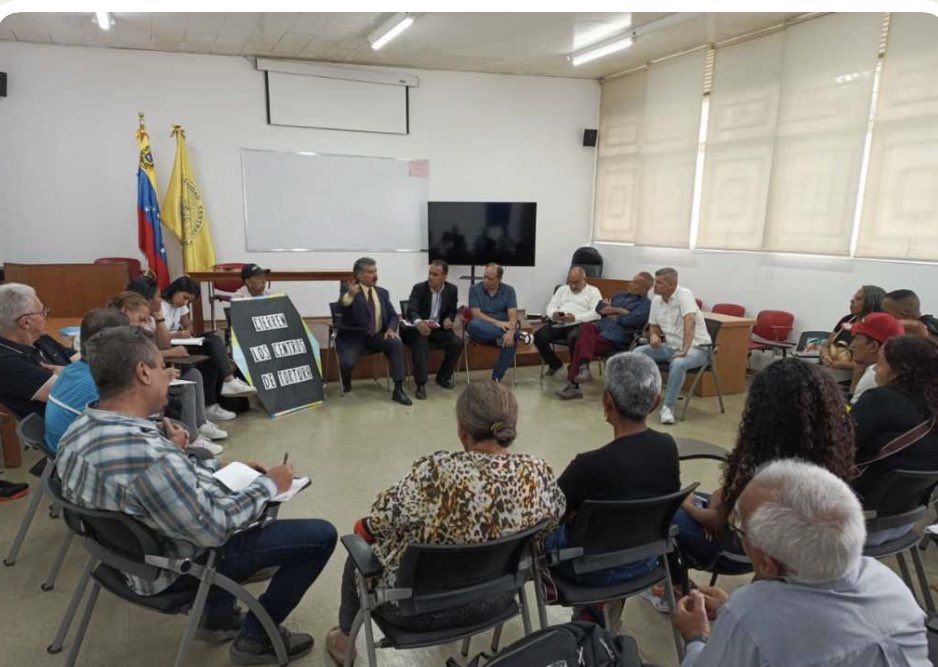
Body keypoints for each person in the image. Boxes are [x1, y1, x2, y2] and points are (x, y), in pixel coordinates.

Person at [55, 326, 337, 664]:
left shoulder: (78, 430)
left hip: (123, 557)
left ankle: (218, 619)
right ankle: (256, 638)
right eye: (162, 366)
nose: (170, 374)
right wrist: (268, 486)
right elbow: (213, 530)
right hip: (176, 566)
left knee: (219, 475)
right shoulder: (151, 458)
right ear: (143, 373)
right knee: (320, 535)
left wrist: (180, 457)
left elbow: (151, 486)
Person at [325, 382, 565, 663]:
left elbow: (379, 522)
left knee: (358, 556)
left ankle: (344, 642)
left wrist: (366, 528)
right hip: (498, 598)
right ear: (511, 426)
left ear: (462, 430)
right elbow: (553, 521)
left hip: (414, 611)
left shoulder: (437, 472)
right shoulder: (538, 473)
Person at [672, 460, 928, 667]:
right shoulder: (891, 586)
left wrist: (696, 636)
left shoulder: (750, 614)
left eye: (739, 527)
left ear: (767, 563)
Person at [672, 358, 856, 584]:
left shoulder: (760, 462)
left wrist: (688, 505)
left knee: (664, 513)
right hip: (794, 558)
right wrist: (720, 503)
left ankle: (677, 587)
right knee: (712, 497)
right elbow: (726, 502)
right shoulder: (827, 457)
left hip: (741, 553)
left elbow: (716, 524)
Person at [549, 352, 679, 627]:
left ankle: (591, 613)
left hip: (587, 571)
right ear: (656, 402)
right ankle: (598, 612)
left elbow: (549, 515)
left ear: (607, 401)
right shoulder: (668, 448)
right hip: (646, 561)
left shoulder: (589, 465)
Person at [851, 335, 938, 514]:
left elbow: (838, 446)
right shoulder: (932, 407)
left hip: (858, 521)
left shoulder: (880, 399)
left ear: (900, 371)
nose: (874, 369)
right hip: (906, 523)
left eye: (881, 364)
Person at [161, 275, 257, 407]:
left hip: (181, 341)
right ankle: (229, 381)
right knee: (212, 344)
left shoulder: (180, 306)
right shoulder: (161, 307)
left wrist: (187, 331)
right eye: (184, 297)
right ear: (175, 290)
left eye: (189, 300)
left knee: (213, 340)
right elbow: (161, 338)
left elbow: (188, 324)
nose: (185, 302)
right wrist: (177, 334)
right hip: (170, 345)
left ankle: (213, 402)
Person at [556, 271, 653, 400]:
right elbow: (599, 307)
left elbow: (628, 321)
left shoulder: (645, 305)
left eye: (636, 283)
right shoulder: (619, 295)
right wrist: (621, 312)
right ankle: (583, 369)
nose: (631, 284)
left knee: (579, 342)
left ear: (645, 289)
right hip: (600, 330)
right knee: (585, 326)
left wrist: (614, 310)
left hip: (617, 337)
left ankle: (575, 383)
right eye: (632, 280)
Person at [634, 268, 711, 424]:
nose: (654, 285)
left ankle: (668, 408)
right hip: (671, 347)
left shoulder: (684, 295)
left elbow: (689, 321)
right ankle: (644, 396)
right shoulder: (656, 300)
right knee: (637, 353)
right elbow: (653, 326)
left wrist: (685, 349)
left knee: (678, 363)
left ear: (672, 284)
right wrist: (654, 336)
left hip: (698, 348)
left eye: (659, 282)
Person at [337, 257, 411, 405]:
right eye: (370, 272)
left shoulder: (382, 293)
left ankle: (398, 390)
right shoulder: (349, 290)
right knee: (346, 364)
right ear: (359, 275)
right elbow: (342, 307)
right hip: (354, 339)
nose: (375, 275)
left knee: (395, 342)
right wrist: (350, 295)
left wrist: (390, 328)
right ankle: (346, 380)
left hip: (376, 337)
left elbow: (393, 315)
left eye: (375, 271)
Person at [0, 283, 75, 419]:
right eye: (42, 313)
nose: (45, 317)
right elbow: (75, 395)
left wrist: (68, 372)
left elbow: (87, 361)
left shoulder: (40, 338)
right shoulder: (7, 362)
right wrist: (73, 371)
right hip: (65, 430)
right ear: (26, 322)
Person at [401, 260, 462, 398]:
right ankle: (421, 384)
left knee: (457, 342)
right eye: (430, 273)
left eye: (435, 274)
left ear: (444, 277)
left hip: (438, 329)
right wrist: (418, 322)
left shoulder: (452, 289)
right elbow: (411, 310)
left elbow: (452, 311)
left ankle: (442, 377)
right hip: (417, 330)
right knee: (421, 341)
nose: (430, 277)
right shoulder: (419, 288)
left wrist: (449, 319)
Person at [466, 263, 532, 383]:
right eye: (484, 277)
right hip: (481, 331)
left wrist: (510, 332)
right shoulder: (475, 289)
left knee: (510, 341)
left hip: (501, 336)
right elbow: (476, 314)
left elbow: (512, 314)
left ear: (499, 279)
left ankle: (496, 379)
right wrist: (499, 324)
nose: (485, 280)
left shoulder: (509, 290)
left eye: (490, 279)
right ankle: (519, 334)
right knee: (473, 324)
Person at [534, 266, 602, 377]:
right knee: (538, 337)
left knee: (574, 338)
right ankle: (555, 364)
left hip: (580, 325)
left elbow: (596, 313)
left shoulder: (593, 291)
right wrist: (554, 315)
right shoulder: (562, 289)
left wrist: (576, 318)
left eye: (576, 282)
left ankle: (575, 369)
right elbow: (551, 306)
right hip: (560, 323)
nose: (573, 285)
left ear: (584, 280)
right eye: (570, 282)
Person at [820, 284, 886, 386]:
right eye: (853, 297)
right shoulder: (847, 319)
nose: (851, 301)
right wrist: (826, 356)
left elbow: (871, 363)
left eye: (858, 298)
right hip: (830, 371)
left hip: (853, 379)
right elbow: (826, 345)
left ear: (871, 303)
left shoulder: (877, 328)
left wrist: (838, 364)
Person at [847, 312, 905, 404]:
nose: (851, 346)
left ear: (873, 346)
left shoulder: (874, 376)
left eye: (857, 339)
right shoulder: (901, 371)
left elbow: (851, 416)